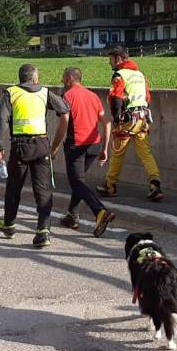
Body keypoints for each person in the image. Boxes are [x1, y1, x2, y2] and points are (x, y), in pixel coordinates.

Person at [0, 63, 69, 248]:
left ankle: (9, 224)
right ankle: (43, 231)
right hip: (42, 145)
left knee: (14, 187)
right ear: (35, 78)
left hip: (20, 147)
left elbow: (1, 120)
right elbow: (65, 108)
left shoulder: (11, 93)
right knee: (42, 190)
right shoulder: (45, 92)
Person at [99, 46, 164, 202]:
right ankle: (155, 184)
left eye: (111, 59)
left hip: (126, 120)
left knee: (118, 152)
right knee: (145, 153)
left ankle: (110, 185)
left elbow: (116, 97)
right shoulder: (140, 75)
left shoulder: (119, 75)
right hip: (142, 119)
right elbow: (147, 97)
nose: (110, 63)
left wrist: (116, 118)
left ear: (119, 59)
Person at [57, 67, 116, 237]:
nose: (62, 81)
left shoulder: (67, 96)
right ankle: (71, 216)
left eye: (63, 78)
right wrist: (104, 149)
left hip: (76, 146)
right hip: (94, 146)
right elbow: (107, 123)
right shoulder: (93, 96)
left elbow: (63, 125)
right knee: (79, 181)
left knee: (77, 182)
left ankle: (100, 211)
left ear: (69, 79)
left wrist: (54, 147)